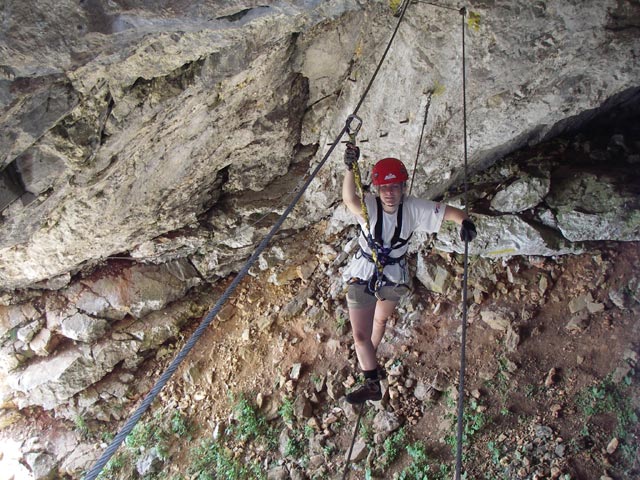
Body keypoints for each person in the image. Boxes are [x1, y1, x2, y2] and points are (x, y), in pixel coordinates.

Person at [341, 142, 477, 404]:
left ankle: (371, 356)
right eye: (384, 188)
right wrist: (350, 168)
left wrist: (464, 221)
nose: (390, 193)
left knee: (379, 323)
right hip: (364, 270)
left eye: (395, 187)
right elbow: (349, 199)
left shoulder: (413, 207)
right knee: (360, 335)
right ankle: (371, 381)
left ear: (403, 188)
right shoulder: (369, 206)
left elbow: (448, 212)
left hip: (392, 275)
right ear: (377, 189)